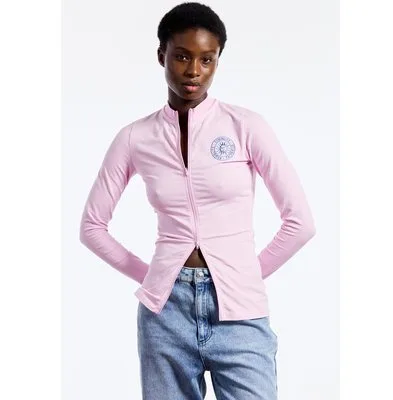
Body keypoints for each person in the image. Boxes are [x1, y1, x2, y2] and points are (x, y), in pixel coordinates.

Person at [79, 2, 316, 399]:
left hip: (240, 313)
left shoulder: (246, 126)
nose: (194, 71)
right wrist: (152, 276)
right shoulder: (135, 137)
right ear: (162, 55)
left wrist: (243, 274)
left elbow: (301, 222)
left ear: (217, 61)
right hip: (165, 316)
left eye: (207, 59)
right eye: (182, 56)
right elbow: (91, 227)